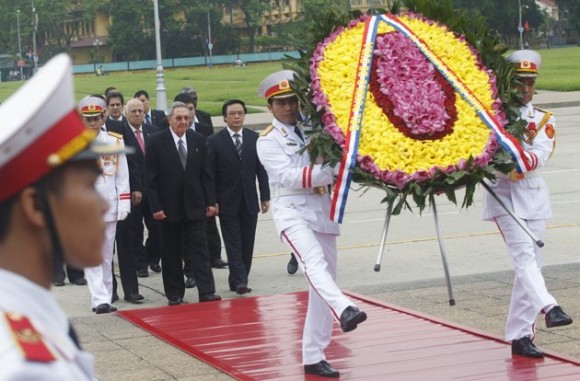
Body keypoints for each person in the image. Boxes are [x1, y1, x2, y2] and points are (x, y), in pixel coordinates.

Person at [0, 53, 127, 379]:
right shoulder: (27, 367)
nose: (100, 205)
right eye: (86, 187)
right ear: (36, 207)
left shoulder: (34, 314)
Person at [256, 70, 367, 378]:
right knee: (313, 263)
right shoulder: (267, 141)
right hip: (292, 210)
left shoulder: (312, 127)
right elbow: (289, 176)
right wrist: (330, 171)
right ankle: (345, 309)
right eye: (281, 103)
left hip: (321, 210)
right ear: (270, 107)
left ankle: (313, 355)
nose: (289, 108)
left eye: (292, 100)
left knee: (323, 281)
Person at [482, 50, 572, 358]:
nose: (526, 90)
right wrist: (503, 164)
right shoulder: (492, 118)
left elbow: (539, 155)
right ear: (509, 84)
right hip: (504, 197)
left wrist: (515, 161)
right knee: (523, 257)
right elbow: (485, 156)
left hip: (532, 198)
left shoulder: (543, 120)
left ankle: (521, 335)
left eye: (531, 83)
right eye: (520, 83)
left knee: (532, 265)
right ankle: (550, 307)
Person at [145, 101, 221, 306]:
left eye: (186, 118)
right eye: (178, 118)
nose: (183, 122)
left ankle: (206, 291)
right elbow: (150, 179)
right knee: (170, 253)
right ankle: (174, 293)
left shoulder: (198, 139)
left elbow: (206, 175)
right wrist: (156, 207)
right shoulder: (156, 141)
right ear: (169, 119)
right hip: (168, 209)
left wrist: (211, 202)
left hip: (195, 206)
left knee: (200, 250)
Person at [207, 99, 270, 295]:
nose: (236, 117)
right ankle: (241, 281)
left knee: (247, 242)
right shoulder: (215, 141)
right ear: (225, 117)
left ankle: (237, 279)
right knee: (233, 242)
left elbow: (262, 170)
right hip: (227, 202)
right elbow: (211, 175)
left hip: (250, 200)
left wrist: (265, 196)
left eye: (240, 113)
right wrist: (212, 200)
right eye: (232, 113)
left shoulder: (254, 138)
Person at [78, 95, 131, 314]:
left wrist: (124, 203)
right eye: (88, 119)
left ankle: (105, 298)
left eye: (95, 118)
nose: (92, 123)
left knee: (107, 256)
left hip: (109, 206)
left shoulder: (114, 141)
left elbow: (122, 175)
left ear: (103, 117)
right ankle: (99, 298)